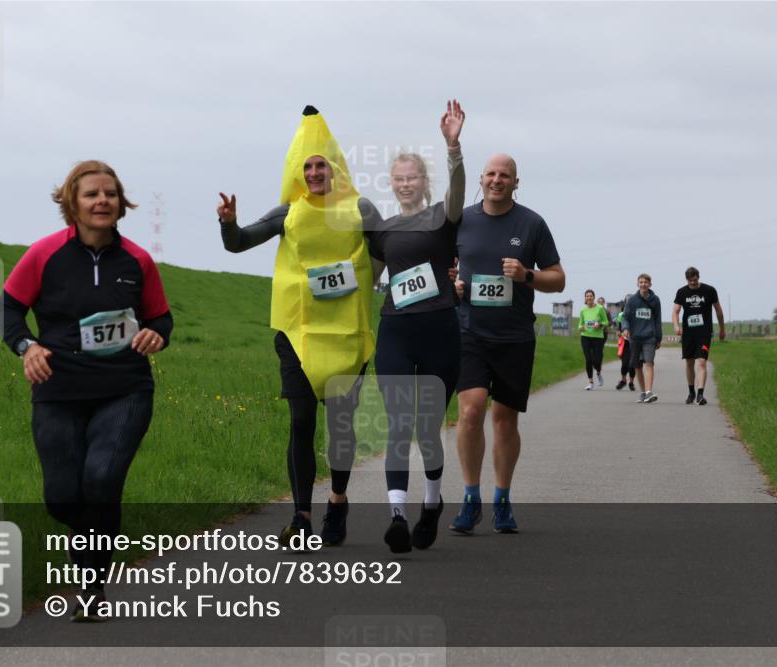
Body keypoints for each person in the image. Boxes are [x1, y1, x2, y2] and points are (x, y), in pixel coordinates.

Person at [0, 160, 173, 621]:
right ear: (71, 203)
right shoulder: (44, 254)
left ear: (121, 204)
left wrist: (157, 334)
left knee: (101, 480)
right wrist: (26, 346)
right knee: (61, 497)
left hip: (125, 389)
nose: (102, 201)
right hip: (58, 389)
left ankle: (92, 586)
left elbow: (160, 317)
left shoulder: (137, 260)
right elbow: (10, 311)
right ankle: (93, 551)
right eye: (92, 194)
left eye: (110, 194)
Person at [218, 106, 382, 547]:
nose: (313, 172)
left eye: (320, 166)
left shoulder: (360, 209)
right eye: (306, 166)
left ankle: (339, 500)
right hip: (297, 333)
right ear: (297, 171)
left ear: (335, 170)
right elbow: (238, 244)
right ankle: (301, 517)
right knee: (301, 422)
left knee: (341, 427)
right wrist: (228, 222)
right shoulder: (287, 212)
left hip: (346, 335)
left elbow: (392, 246)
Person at [451, 154, 565, 534]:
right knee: (470, 412)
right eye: (491, 174)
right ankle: (470, 497)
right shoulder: (462, 220)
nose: (497, 180)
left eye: (505, 176)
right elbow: (445, 264)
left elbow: (559, 279)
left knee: (503, 421)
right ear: (480, 179)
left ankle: (501, 497)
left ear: (516, 183)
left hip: (514, 335)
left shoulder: (531, 224)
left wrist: (527, 274)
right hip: (469, 331)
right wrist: (454, 284)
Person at [372, 100, 465, 553]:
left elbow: (460, 191)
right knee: (397, 424)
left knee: (428, 428)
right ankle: (395, 513)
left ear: (424, 183)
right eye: (399, 179)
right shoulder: (383, 230)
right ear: (392, 184)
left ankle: (431, 503)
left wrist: (453, 149)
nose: (405, 184)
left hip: (440, 332)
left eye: (412, 177)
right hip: (394, 330)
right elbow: (365, 280)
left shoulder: (443, 218)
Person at [672, 266, 725, 405]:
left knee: (701, 361)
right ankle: (691, 392)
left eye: (695, 280)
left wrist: (722, 329)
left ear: (698, 277)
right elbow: (676, 311)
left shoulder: (709, 290)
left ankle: (700, 395)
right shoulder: (682, 292)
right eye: (690, 281)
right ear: (687, 280)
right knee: (689, 362)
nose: (693, 283)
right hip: (688, 332)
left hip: (704, 331)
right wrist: (676, 326)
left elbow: (718, 310)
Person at [622, 274, 662, 404]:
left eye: (646, 282)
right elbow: (625, 317)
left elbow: (657, 320)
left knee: (649, 363)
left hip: (649, 337)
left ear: (650, 284)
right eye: (641, 282)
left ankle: (649, 392)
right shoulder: (632, 300)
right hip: (635, 338)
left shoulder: (655, 300)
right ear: (637, 284)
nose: (643, 284)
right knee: (637, 366)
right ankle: (643, 392)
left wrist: (658, 338)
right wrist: (625, 328)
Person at [578, 289, 608, 390]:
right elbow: (580, 323)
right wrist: (580, 327)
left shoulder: (600, 308)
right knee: (588, 359)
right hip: (585, 336)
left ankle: (598, 372)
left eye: (591, 296)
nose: (589, 298)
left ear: (594, 297)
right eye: (587, 296)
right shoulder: (583, 309)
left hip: (597, 337)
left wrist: (599, 324)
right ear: (585, 298)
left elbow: (606, 322)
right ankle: (591, 382)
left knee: (596, 360)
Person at [614, 299, 636, 391]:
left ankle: (631, 382)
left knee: (632, 364)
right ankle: (623, 380)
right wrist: (618, 331)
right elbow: (619, 326)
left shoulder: (636, 313)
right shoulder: (621, 315)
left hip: (635, 342)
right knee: (625, 363)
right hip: (625, 342)